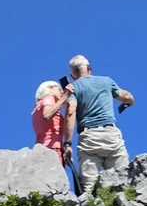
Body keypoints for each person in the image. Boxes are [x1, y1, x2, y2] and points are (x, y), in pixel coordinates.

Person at [66, 54, 134, 189]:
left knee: (89, 188)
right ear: (89, 68)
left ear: (73, 75)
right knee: (123, 181)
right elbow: (126, 96)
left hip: (89, 139)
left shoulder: (73, 88)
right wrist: (129, 102)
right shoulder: (106, 81)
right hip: (111, 135)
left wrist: (67, 143)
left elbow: (70, 111)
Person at [31, 79, 72, 174]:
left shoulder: (37, 108)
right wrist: (65, 97)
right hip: (52, 147)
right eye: (59, 90)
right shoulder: (48, 98)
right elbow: (47, 114)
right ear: (50, 88)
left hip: (43, 146)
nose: (61, 93)